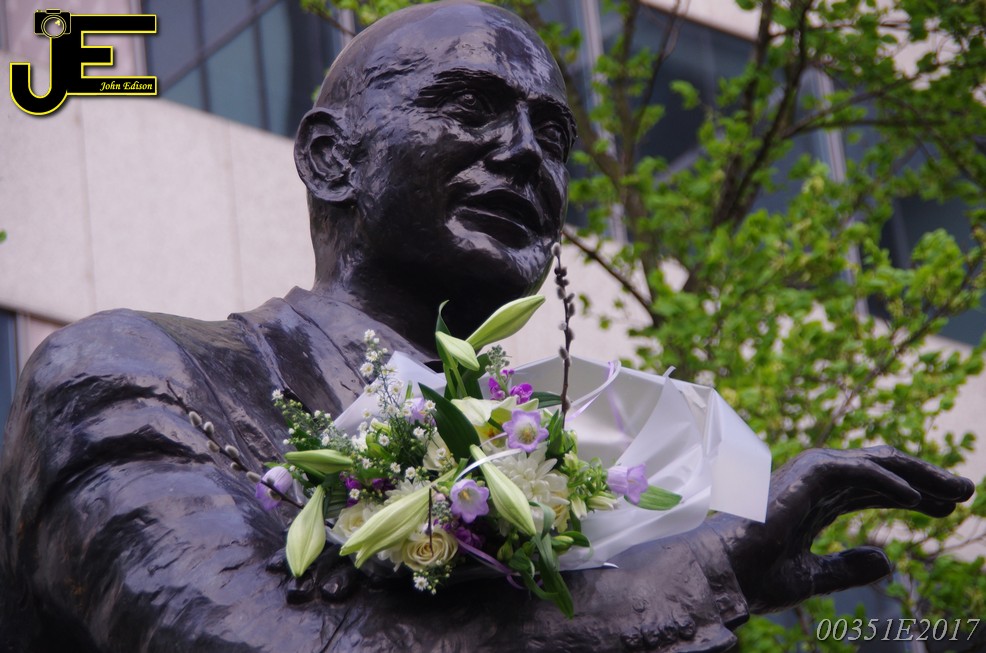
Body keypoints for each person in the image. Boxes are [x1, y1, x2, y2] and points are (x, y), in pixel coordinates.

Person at [0, 2, 973, 652]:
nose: (523, 155)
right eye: (470, 108)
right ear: (332, 159)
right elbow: (245, 636)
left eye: (552, 136)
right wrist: (689, 580)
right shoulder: (136, 369)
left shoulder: (580, 464)